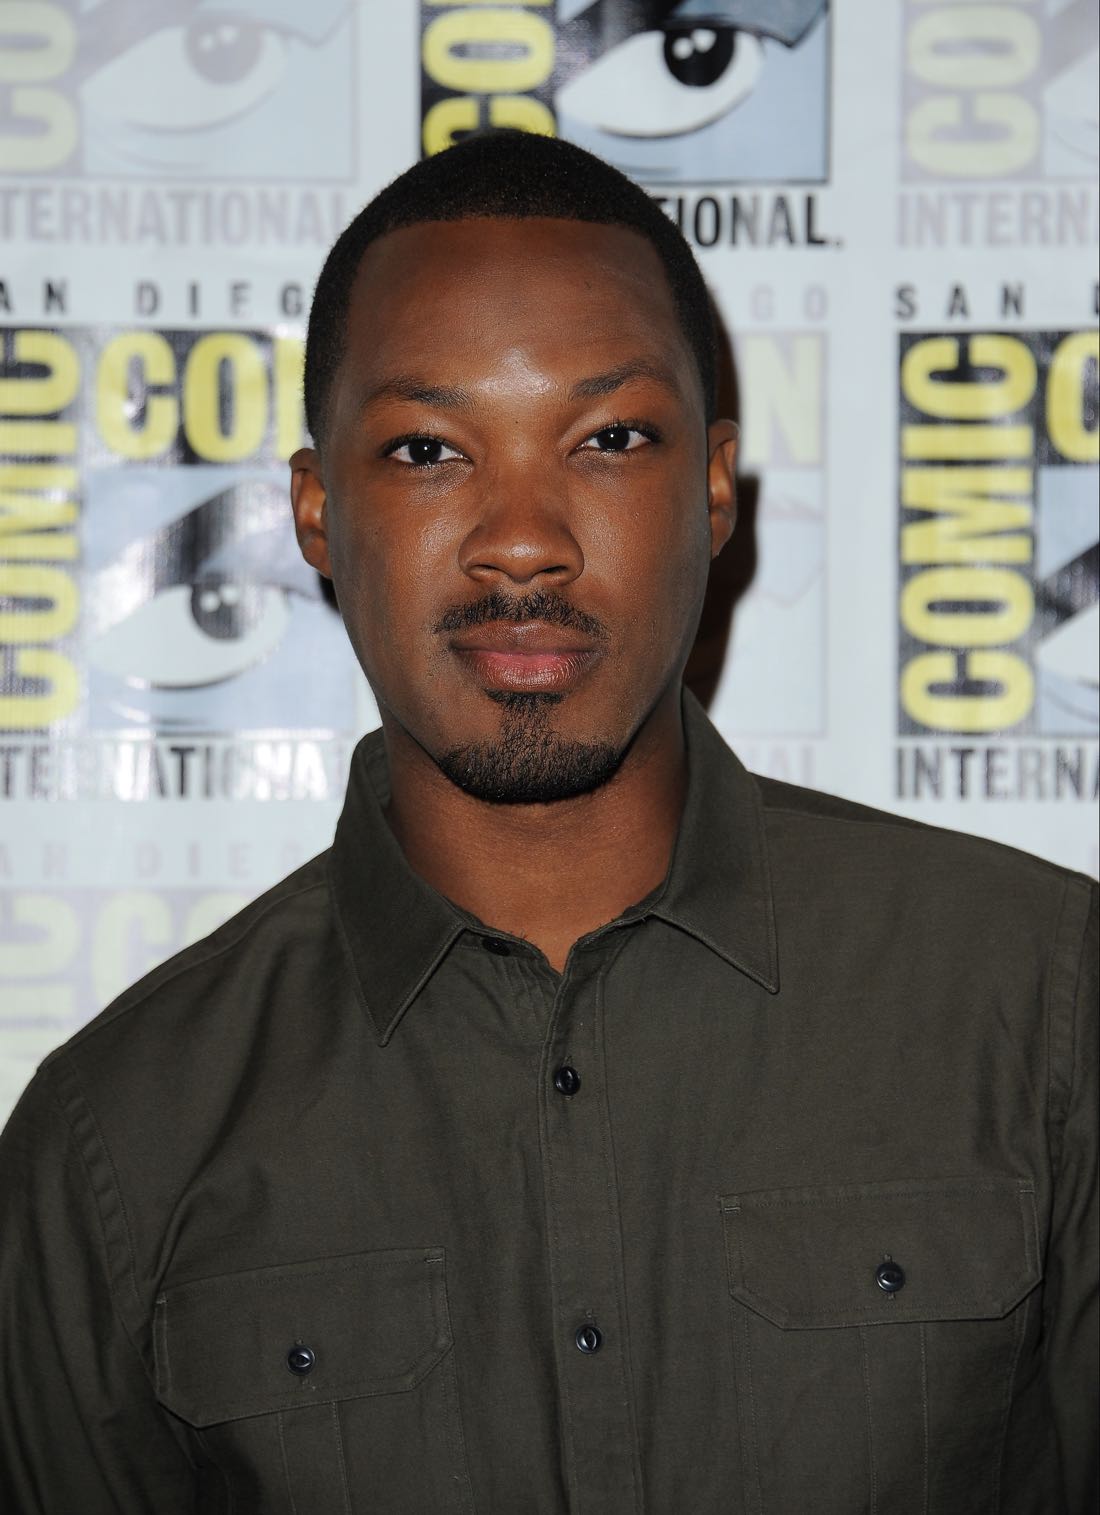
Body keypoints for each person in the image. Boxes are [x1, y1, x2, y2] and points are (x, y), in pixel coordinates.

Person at [0, 130, 1095, 1515]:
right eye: (428, 449)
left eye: (609, 440)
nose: (523, 540)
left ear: (713, 488)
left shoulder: (1046, 1004)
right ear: (317, 514)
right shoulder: (115, 1141)